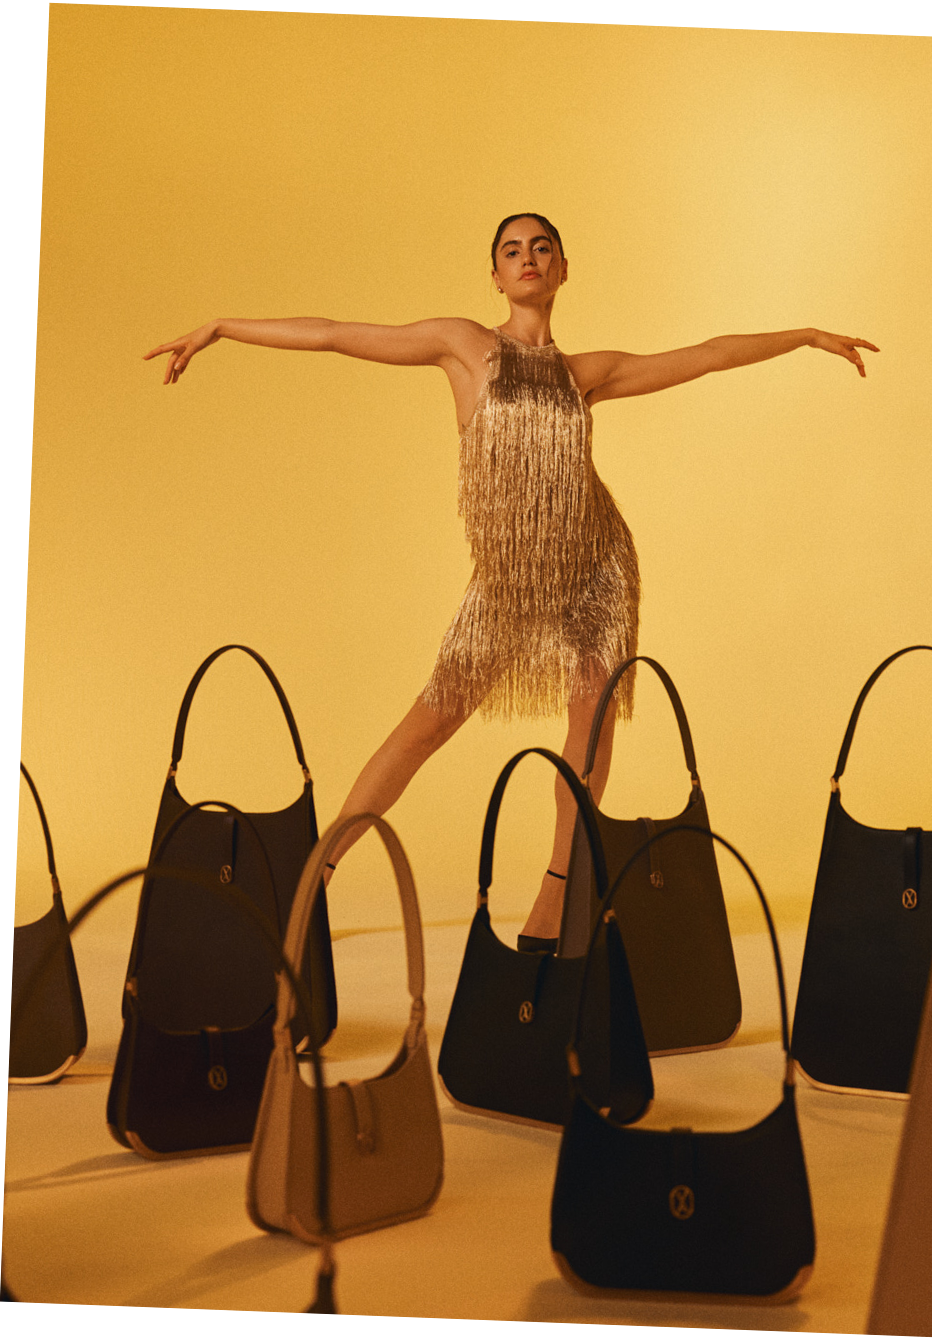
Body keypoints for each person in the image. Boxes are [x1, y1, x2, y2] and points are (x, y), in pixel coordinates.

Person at [145, 212, 878, 950]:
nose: (528, 259)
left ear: (562, 268)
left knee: (587, 727)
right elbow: (336, 332)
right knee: (428, 723)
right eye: (511, 250)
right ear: (495, 276)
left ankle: (557, 898)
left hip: (596, 565)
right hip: (507, 580)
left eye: (541, 248)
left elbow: (709, 355)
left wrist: (806, 335)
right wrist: (222, 327)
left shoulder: (587, 374)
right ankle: (316, 880)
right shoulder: (462, 346)